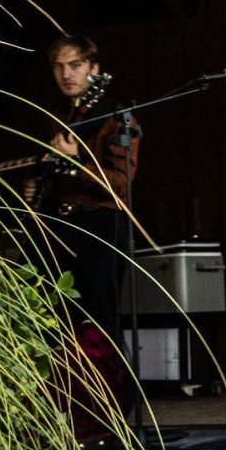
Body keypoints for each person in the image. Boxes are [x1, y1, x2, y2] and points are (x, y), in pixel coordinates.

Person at [17, 33, 141, 354]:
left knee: (99, 323)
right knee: (52, 315)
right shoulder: (63, 117)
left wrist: (76, 163)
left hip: (100, 227)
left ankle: (112, 398)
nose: (66, 75)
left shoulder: (117, 118)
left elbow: (120, 183)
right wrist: (36, 185)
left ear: (94, 68)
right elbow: (51, 174)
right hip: (60, 227)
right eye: (59, 67)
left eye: (75, 65)